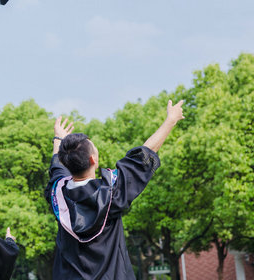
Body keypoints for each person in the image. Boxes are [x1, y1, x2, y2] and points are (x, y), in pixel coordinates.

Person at [45, 100, 185, 279]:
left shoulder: (57, 194)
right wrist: (170, 120)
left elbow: (56, 168)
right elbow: (144, 156)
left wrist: (58, 139)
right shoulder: (111, 192)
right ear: (93, 160)